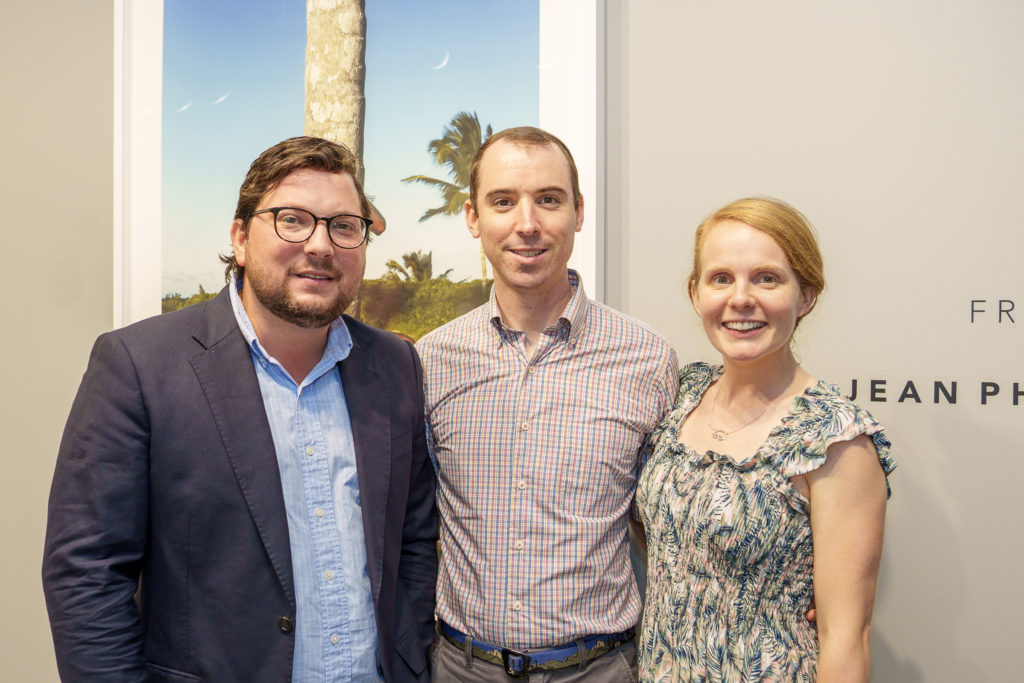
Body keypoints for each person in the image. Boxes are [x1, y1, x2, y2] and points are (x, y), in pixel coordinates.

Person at [42, 136, 437, 682]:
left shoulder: (395, 365)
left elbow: (415, 539)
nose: (321, 245)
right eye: (292, 219)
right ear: (241, 238)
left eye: (344, 225)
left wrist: (412, 654)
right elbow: (87, 575)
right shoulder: (139, 365)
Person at [416, 126, 679, 681]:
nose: (527, 224)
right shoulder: (431, 360)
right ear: (472, 217)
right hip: (463, 668)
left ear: (579, 212)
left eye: (549, 200)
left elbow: (666, 525)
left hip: (599, 668)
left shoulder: (647, 359)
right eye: (504, 201)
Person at [635, 197, 895, 682]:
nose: (740, 298)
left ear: (807, 295)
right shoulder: (682, 395)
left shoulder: (834, 440)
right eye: (721, 279)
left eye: (767, 278)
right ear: (695, 294)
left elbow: (847, 640)